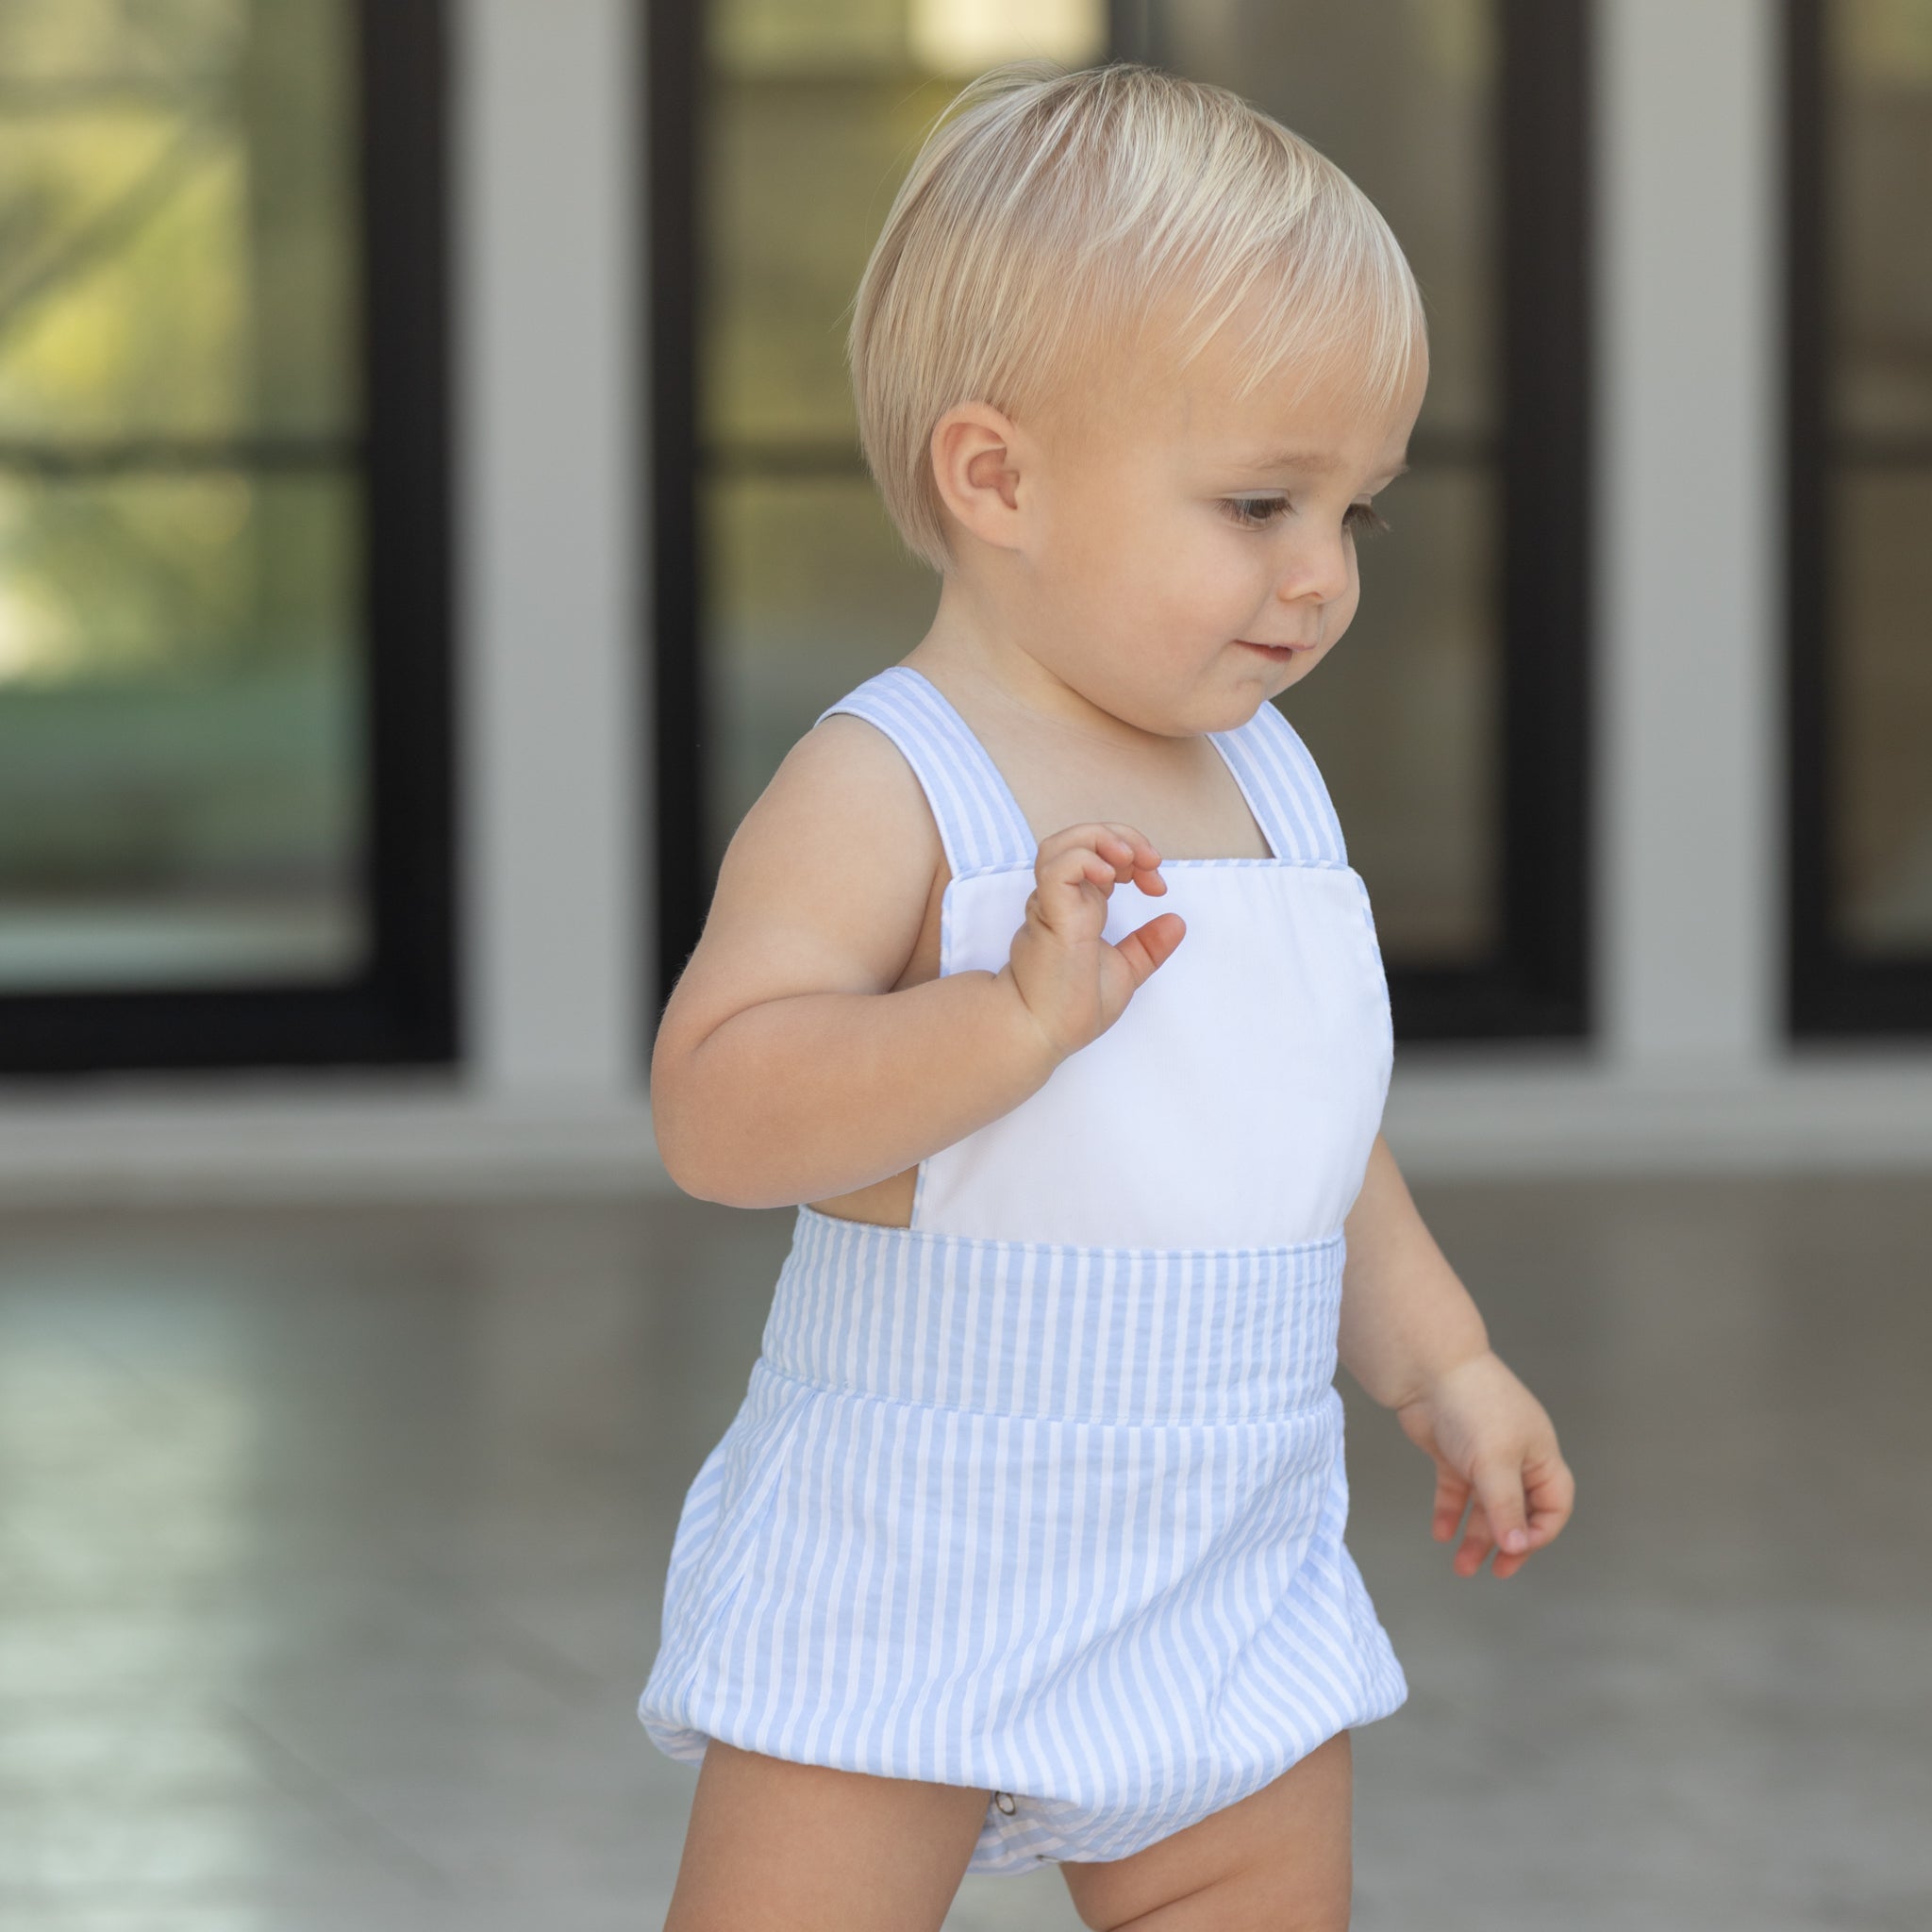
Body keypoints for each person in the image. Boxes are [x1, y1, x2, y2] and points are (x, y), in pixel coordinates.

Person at [638, 57, 1574, 1932]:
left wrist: (1442, 1358)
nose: (1316, 578)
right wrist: (1006, 1023)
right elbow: (719, 1113)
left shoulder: (1269, 781)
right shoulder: (890, 780)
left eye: (1354, 515)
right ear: (996, 476)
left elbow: (1300, 1131)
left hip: (1221, 1547)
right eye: (1255, 502)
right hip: (915, 1539)